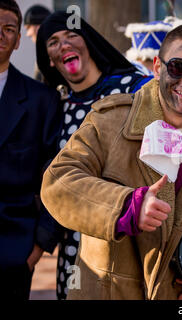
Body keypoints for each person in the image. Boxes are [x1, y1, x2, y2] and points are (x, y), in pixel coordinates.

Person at [41, 23, 182, 300]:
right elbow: (57, 182)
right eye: (179, 67)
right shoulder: (110, 121)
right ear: (158, 67)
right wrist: (126, 206)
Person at [36, 11, 152, 300]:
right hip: (78, 240)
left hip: (135, 229)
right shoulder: (57, 109)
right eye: (53, 41)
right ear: (49, 60)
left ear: (88, 42)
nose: (64, 44)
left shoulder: (134, 88)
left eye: (71, 35)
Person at [0, 0, 62, 300]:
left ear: (17, 40)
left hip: (14, 250)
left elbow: (55, 174)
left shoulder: (42, 100)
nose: (0, 35)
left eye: (8, 29)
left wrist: (39, 246)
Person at [23, 4, 51, 82]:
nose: (28, 34)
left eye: (28, 28)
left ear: (39, 28)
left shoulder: (50, 54)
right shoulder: (44, 52)